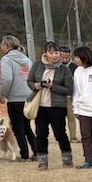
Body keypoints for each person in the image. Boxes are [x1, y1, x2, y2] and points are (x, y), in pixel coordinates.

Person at [26, 41, 74, 170]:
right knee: (41, 134)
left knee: (60, 133)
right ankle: (42, 162)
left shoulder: (64, 70)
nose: (54, 56)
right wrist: (35, 85)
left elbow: (69, 90)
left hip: (57, 106)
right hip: (40, 105)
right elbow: (29, 80)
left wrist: (53, 86)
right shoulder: (37, 65)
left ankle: (67, 160)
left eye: (56, 53)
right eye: (51, 53)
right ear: (45, 53)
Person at [0, 35, 36, 161]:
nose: (1, 47)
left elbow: (7, 79)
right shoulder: (26, 59)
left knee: (18, 128)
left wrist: (3, 94)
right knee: (27, 127)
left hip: (15, 98)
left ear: (6, 46)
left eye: (2, 45)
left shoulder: (6, 59)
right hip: (28, 97)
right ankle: (37, 152)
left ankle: (24, 154)